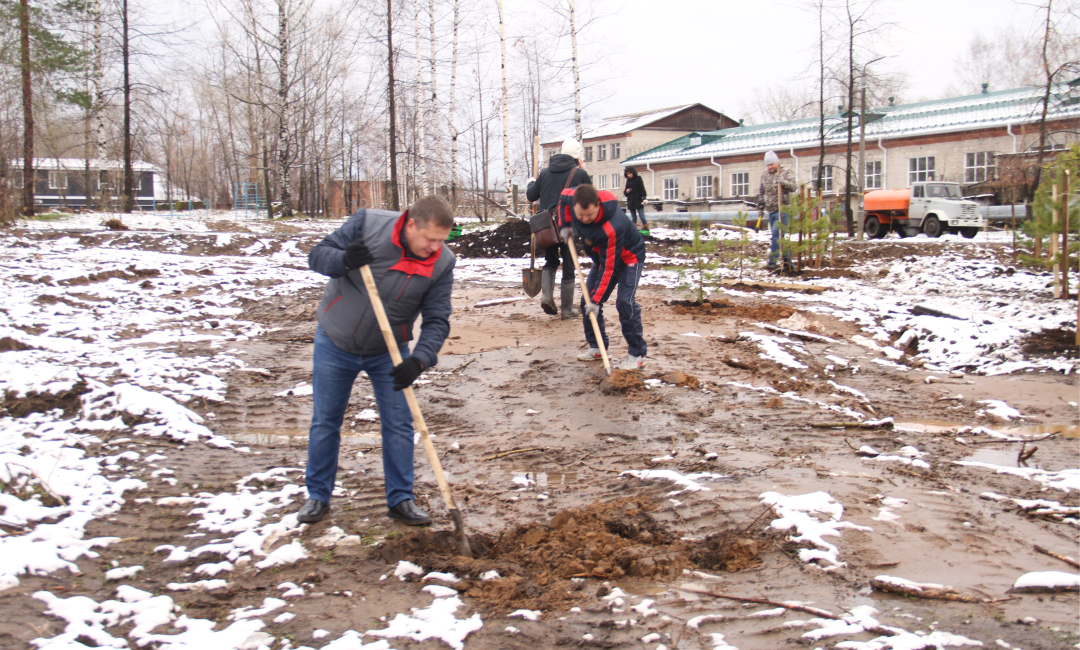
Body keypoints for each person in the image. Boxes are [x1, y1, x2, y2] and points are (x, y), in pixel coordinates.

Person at [296, 195, 456, 526]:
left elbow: (437, 319)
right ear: (411, 224)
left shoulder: (442, 262)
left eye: (442, 241)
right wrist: (344, 260)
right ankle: (317, 496)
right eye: (430, 239)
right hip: (336, 338)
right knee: (326, 420)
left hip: (390, 350)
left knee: (398, 423)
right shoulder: (367, 224)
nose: (435, 247)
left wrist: (421, 360)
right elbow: (317, 256)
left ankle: (400, 499)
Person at [557, 184, 647, 370]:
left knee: (624, 302)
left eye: (589, 214)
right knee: (586, 300)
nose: (584, 219)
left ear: (598, 204)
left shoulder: (612, 226)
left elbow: (609, 268)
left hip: (628, 257)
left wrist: (596, 300)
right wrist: (565, 225)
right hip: (602, 256)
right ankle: (598, 347)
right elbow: (562, 199)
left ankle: (636, 354)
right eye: (580, 215)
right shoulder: (572, 198)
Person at [526, 137, 591, 319]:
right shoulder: (579, 174)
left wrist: (531, 182)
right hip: (569, 226)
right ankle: (566, 310)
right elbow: (590, 200)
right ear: (577, 156)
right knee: (569, 266)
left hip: (547, 227)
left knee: (551, 261)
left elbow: (531, 195)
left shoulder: (545, 172)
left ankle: (547, 297)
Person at [757, 150, 798, 272]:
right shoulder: (765, 175)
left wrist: (783, 182)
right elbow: (761, 191)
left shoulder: (785, 172)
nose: (770, 167)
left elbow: (794, 187)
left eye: (772, 164)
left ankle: (772, 261)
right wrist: (760, 206)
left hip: (783, 209)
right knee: (780, 237)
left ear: (777, 162)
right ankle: (787, 263)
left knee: (776, 234)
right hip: (771, 210)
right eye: (768, 165)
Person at [623, 166, 648, 232]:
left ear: (633, 173)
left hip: (638, 200)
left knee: (642, 216)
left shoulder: (638, 178)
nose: (629, 175)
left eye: (630, 173)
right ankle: (634, 229)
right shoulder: (628, 181)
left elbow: (642, 188)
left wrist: (644, 198)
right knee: (634, 218)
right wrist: (627, 191)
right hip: (631, 201)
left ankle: (646, 227)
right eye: (627, 174)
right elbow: (625, 192)